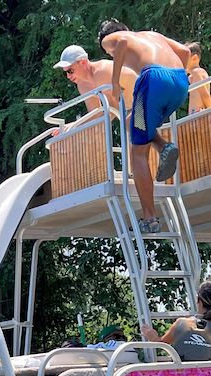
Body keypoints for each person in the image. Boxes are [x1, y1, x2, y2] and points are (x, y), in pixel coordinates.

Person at [98, 20, 190, 233]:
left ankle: (150, 218)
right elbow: (185, 51)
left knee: (138, 153)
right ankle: (163, 146)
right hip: (179, 83)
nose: (110, 54)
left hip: (153, 79)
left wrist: (114, 82)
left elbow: (120, 42)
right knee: (133, 122)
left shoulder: (112, 38)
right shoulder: (151, 34)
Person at [53, 44, 137, 127]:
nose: (68, 76)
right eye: (65, 73)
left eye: (70, 71)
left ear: (83, 62)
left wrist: (75, 126)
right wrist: (71, 126)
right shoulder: (82, 85)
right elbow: (95, 115)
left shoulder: (102, 72)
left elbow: (114, 108)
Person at [141, 280, 211, 361]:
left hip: (182, 372)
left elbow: (162, 344)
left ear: (199, 301)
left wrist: (153, 337)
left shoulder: (182, 324)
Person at [186, 42, 211, 113]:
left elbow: (205, 95)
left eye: (185, 58)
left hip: (198, 113)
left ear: (194, 58)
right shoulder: (192, 75)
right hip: (195, 115)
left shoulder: (197, 72)